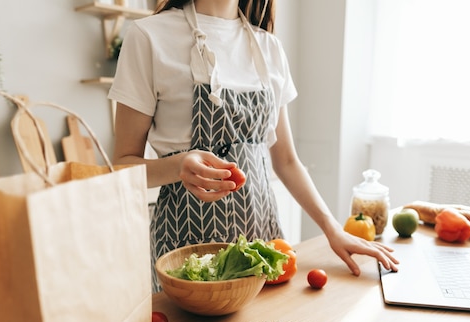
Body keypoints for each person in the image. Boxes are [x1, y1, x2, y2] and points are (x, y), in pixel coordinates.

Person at [108, 0, 398, 292]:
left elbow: (286, 160)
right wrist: (178, 165)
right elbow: (121, 164)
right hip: (186, 253)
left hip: (264, 247)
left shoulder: (269, 47)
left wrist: (332, 229)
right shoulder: (148, 37)